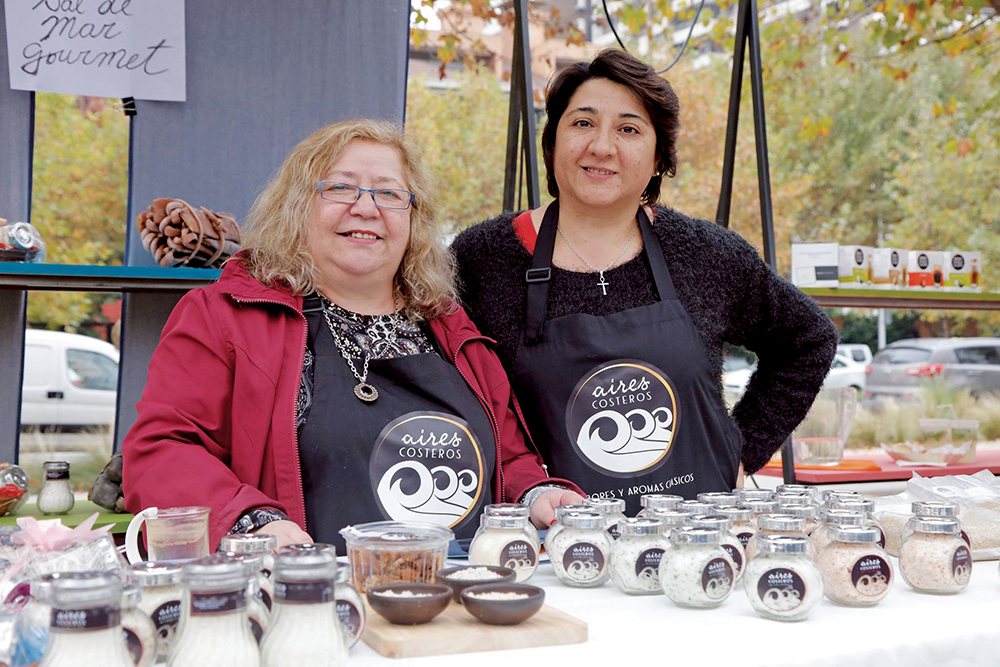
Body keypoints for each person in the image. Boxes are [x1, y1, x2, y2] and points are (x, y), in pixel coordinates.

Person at [123, 119, 584, 551]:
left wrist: (536, 493)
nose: (365, 208)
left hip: (458, 595)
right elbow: (162, 451)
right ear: (297, 206)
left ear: (412, 219)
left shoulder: (452, 328)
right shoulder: (225, 318)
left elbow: (508, 459)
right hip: (314, 602)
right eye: (340, 188)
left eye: (388, 194)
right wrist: (252, 522)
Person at [451, 49, 839, 515]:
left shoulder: (705, 253)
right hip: (554, 549)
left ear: (659, 158)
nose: (601, 146)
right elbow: (449, 397)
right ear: (551, 142)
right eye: (582, 123)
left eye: (629, 129)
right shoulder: (481, 259)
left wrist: (741, 450)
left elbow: (808, 338)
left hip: (697, 544)